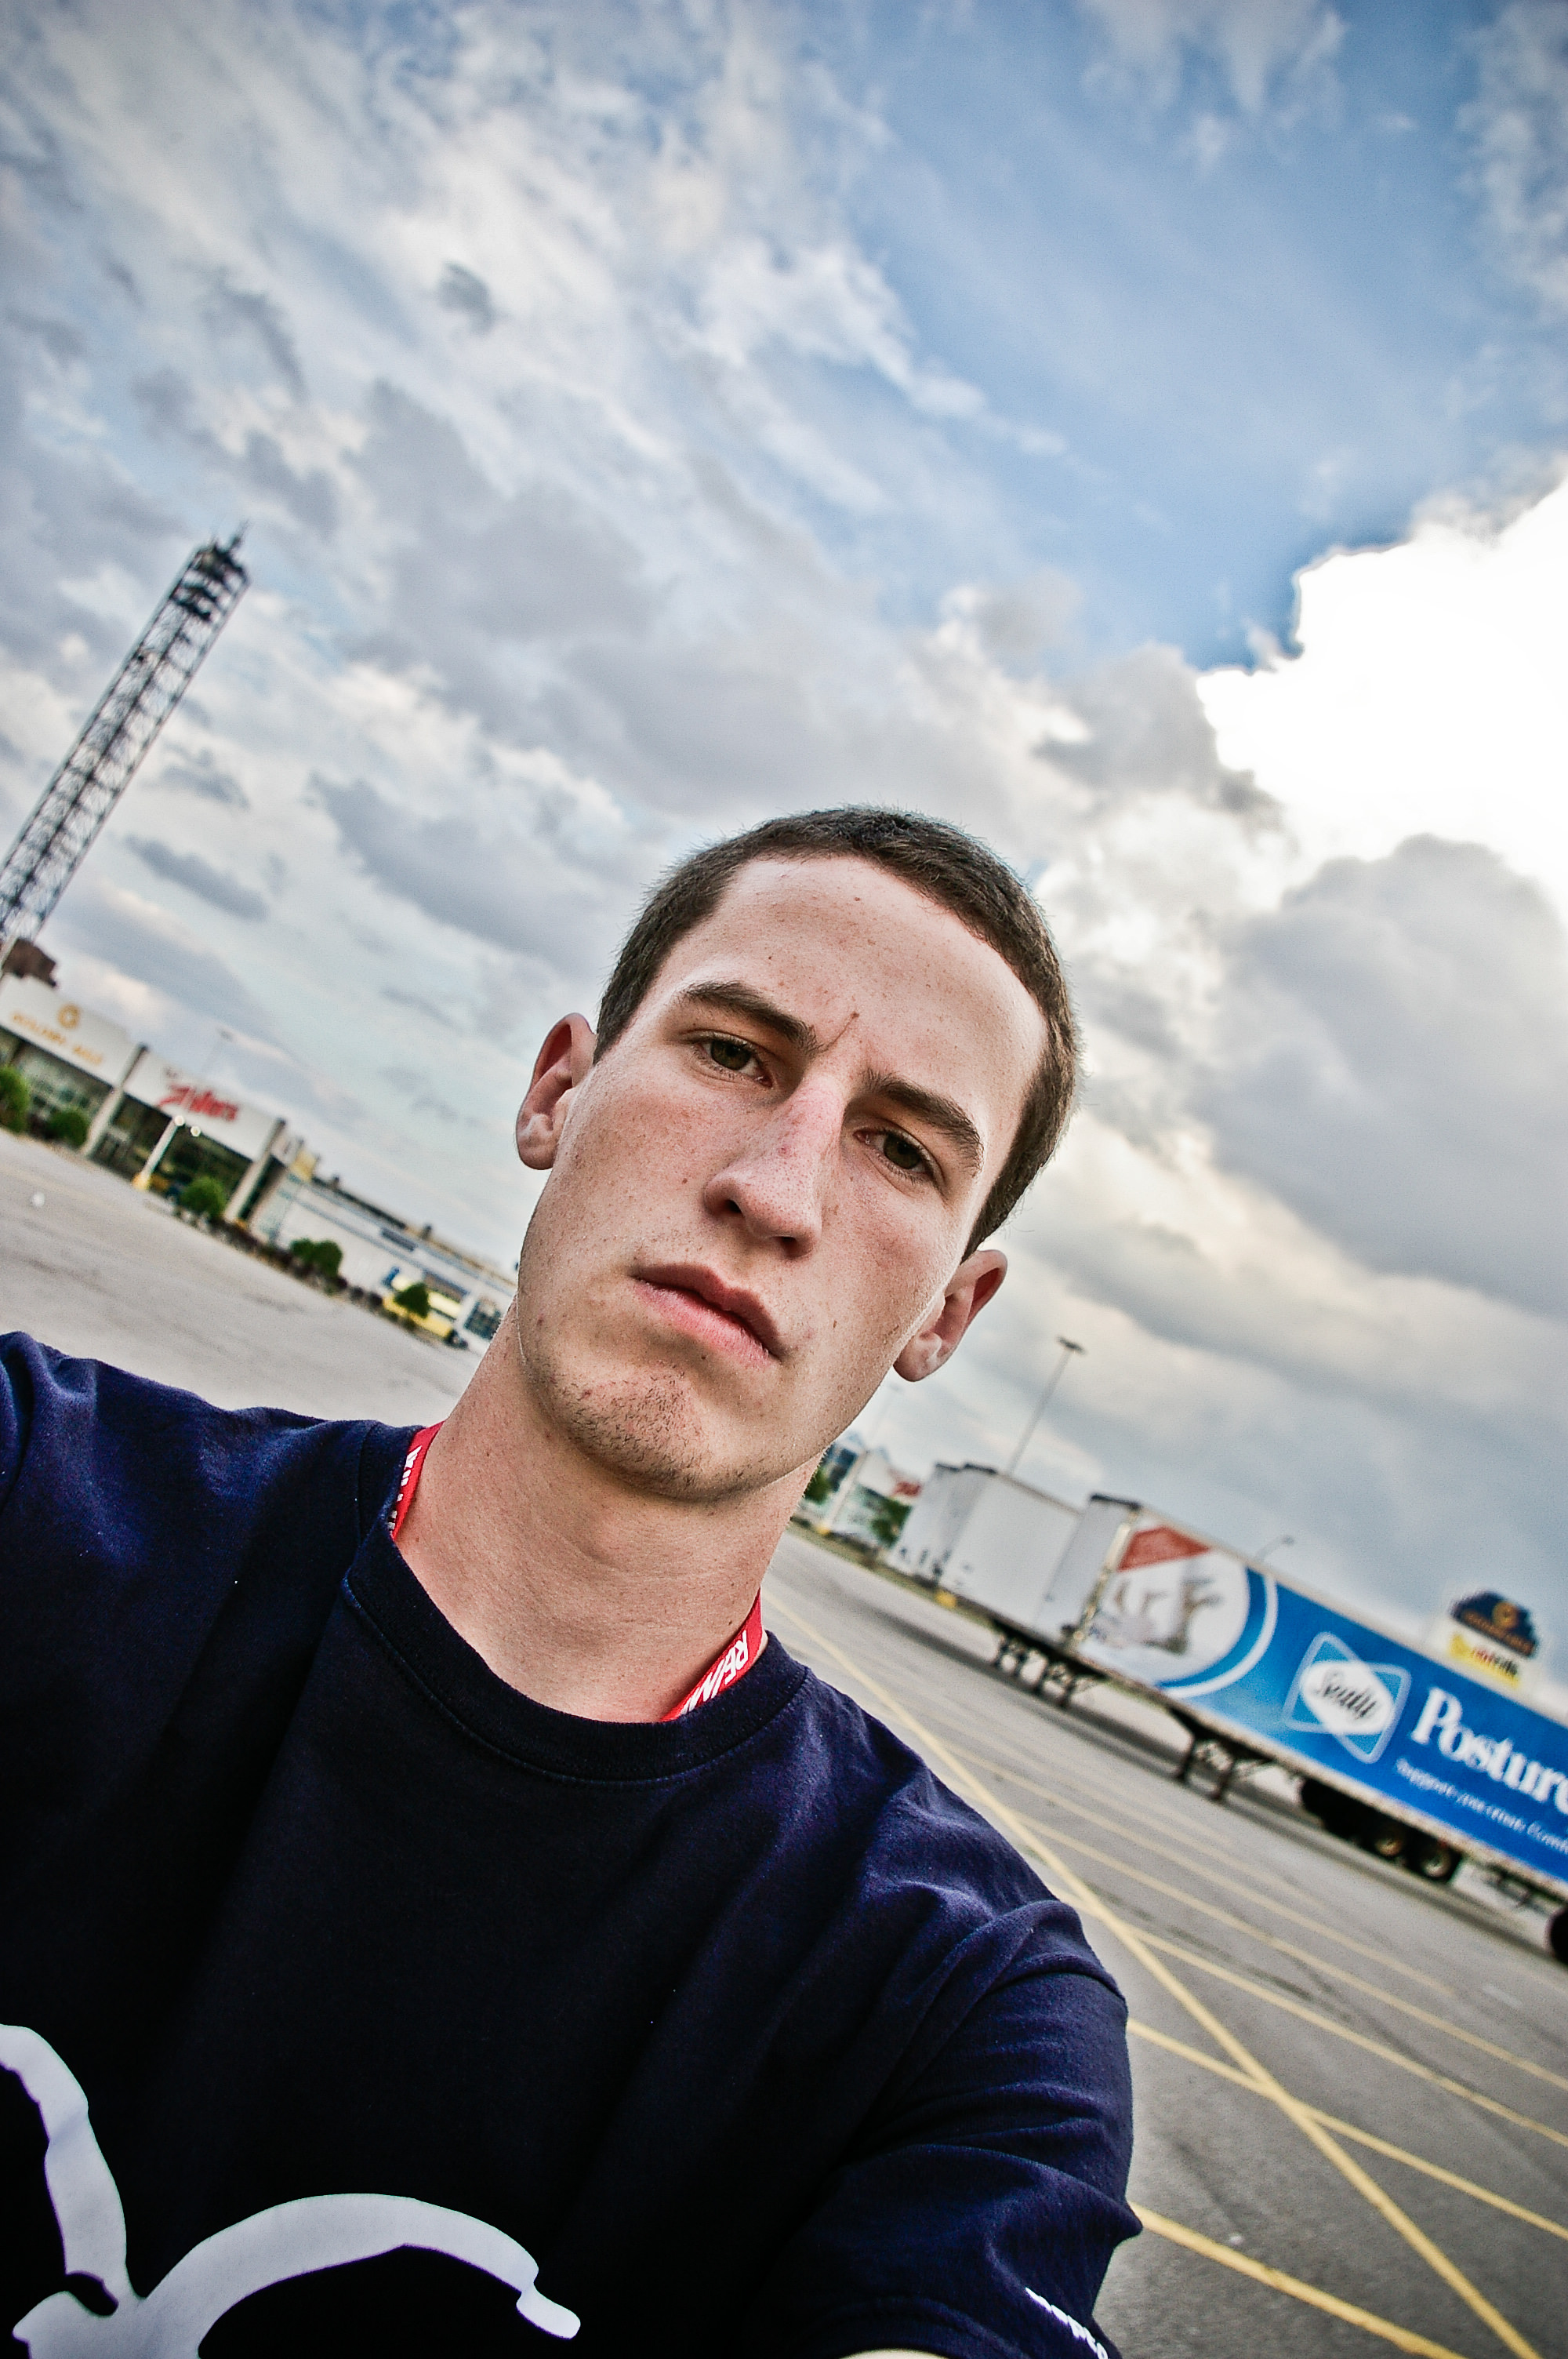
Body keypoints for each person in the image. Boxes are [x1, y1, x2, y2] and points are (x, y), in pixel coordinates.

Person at [0, 808, 1136, 2359]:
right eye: (733, 1052)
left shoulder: (958, 2007)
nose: (777, 1190)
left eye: (899, 1147)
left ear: (949, 1311)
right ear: (557, 1090)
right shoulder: (37, 1498)